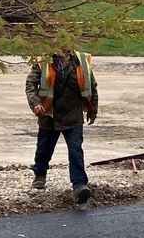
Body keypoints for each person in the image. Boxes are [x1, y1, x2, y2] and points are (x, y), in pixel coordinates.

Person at [25, 48, 98, 205]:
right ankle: (40, 174)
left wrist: (93, 109)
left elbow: (92, 86)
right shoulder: (43, 61)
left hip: (73, 115)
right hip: (49, 114)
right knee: (44, 149)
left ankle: (79, 185)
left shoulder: (81, 61)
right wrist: (35, 104)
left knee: (76, 150)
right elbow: (31, 84)